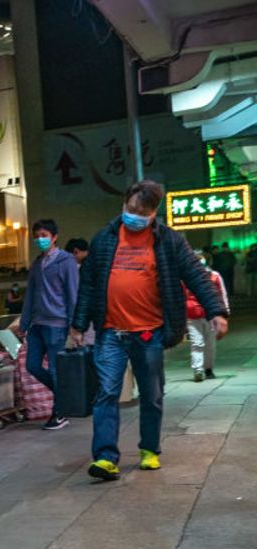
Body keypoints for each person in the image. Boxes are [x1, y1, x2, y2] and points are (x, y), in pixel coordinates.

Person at [70, 179, 229, 480]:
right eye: (131, 209)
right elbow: (88, 284)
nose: (134, 216)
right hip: (110, 333)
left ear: (153, 213)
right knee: (106, 393)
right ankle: (105, 457)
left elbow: (196, 276)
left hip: (149, 332)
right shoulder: (104, 239)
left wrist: (216, 311)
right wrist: (79, 324)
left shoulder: (169, 241)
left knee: (152, 394)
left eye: (142, 212)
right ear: (124, 204)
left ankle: (149, 449)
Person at [18, 219, 80, 430]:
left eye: (44, 235)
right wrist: (24, 324)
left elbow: (73, 293)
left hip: (57, 323)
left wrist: (75, 325)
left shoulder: (66, 261)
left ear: (55, 236)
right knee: (32, 366)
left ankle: (59, 412)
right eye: (36, 236)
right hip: (37, 324)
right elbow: (30, 296)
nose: (40, 239)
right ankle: (66, 396)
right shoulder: (37, 264)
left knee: (55, 369)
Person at [186, 250, 229, 381]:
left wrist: (224, 312)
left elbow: (222, 293)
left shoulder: (215, 276)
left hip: (211, 315)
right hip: (192, 314)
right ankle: (198, 370)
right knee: (196, 343)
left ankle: (208, 369)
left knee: (210, 344)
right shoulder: (185, 276)